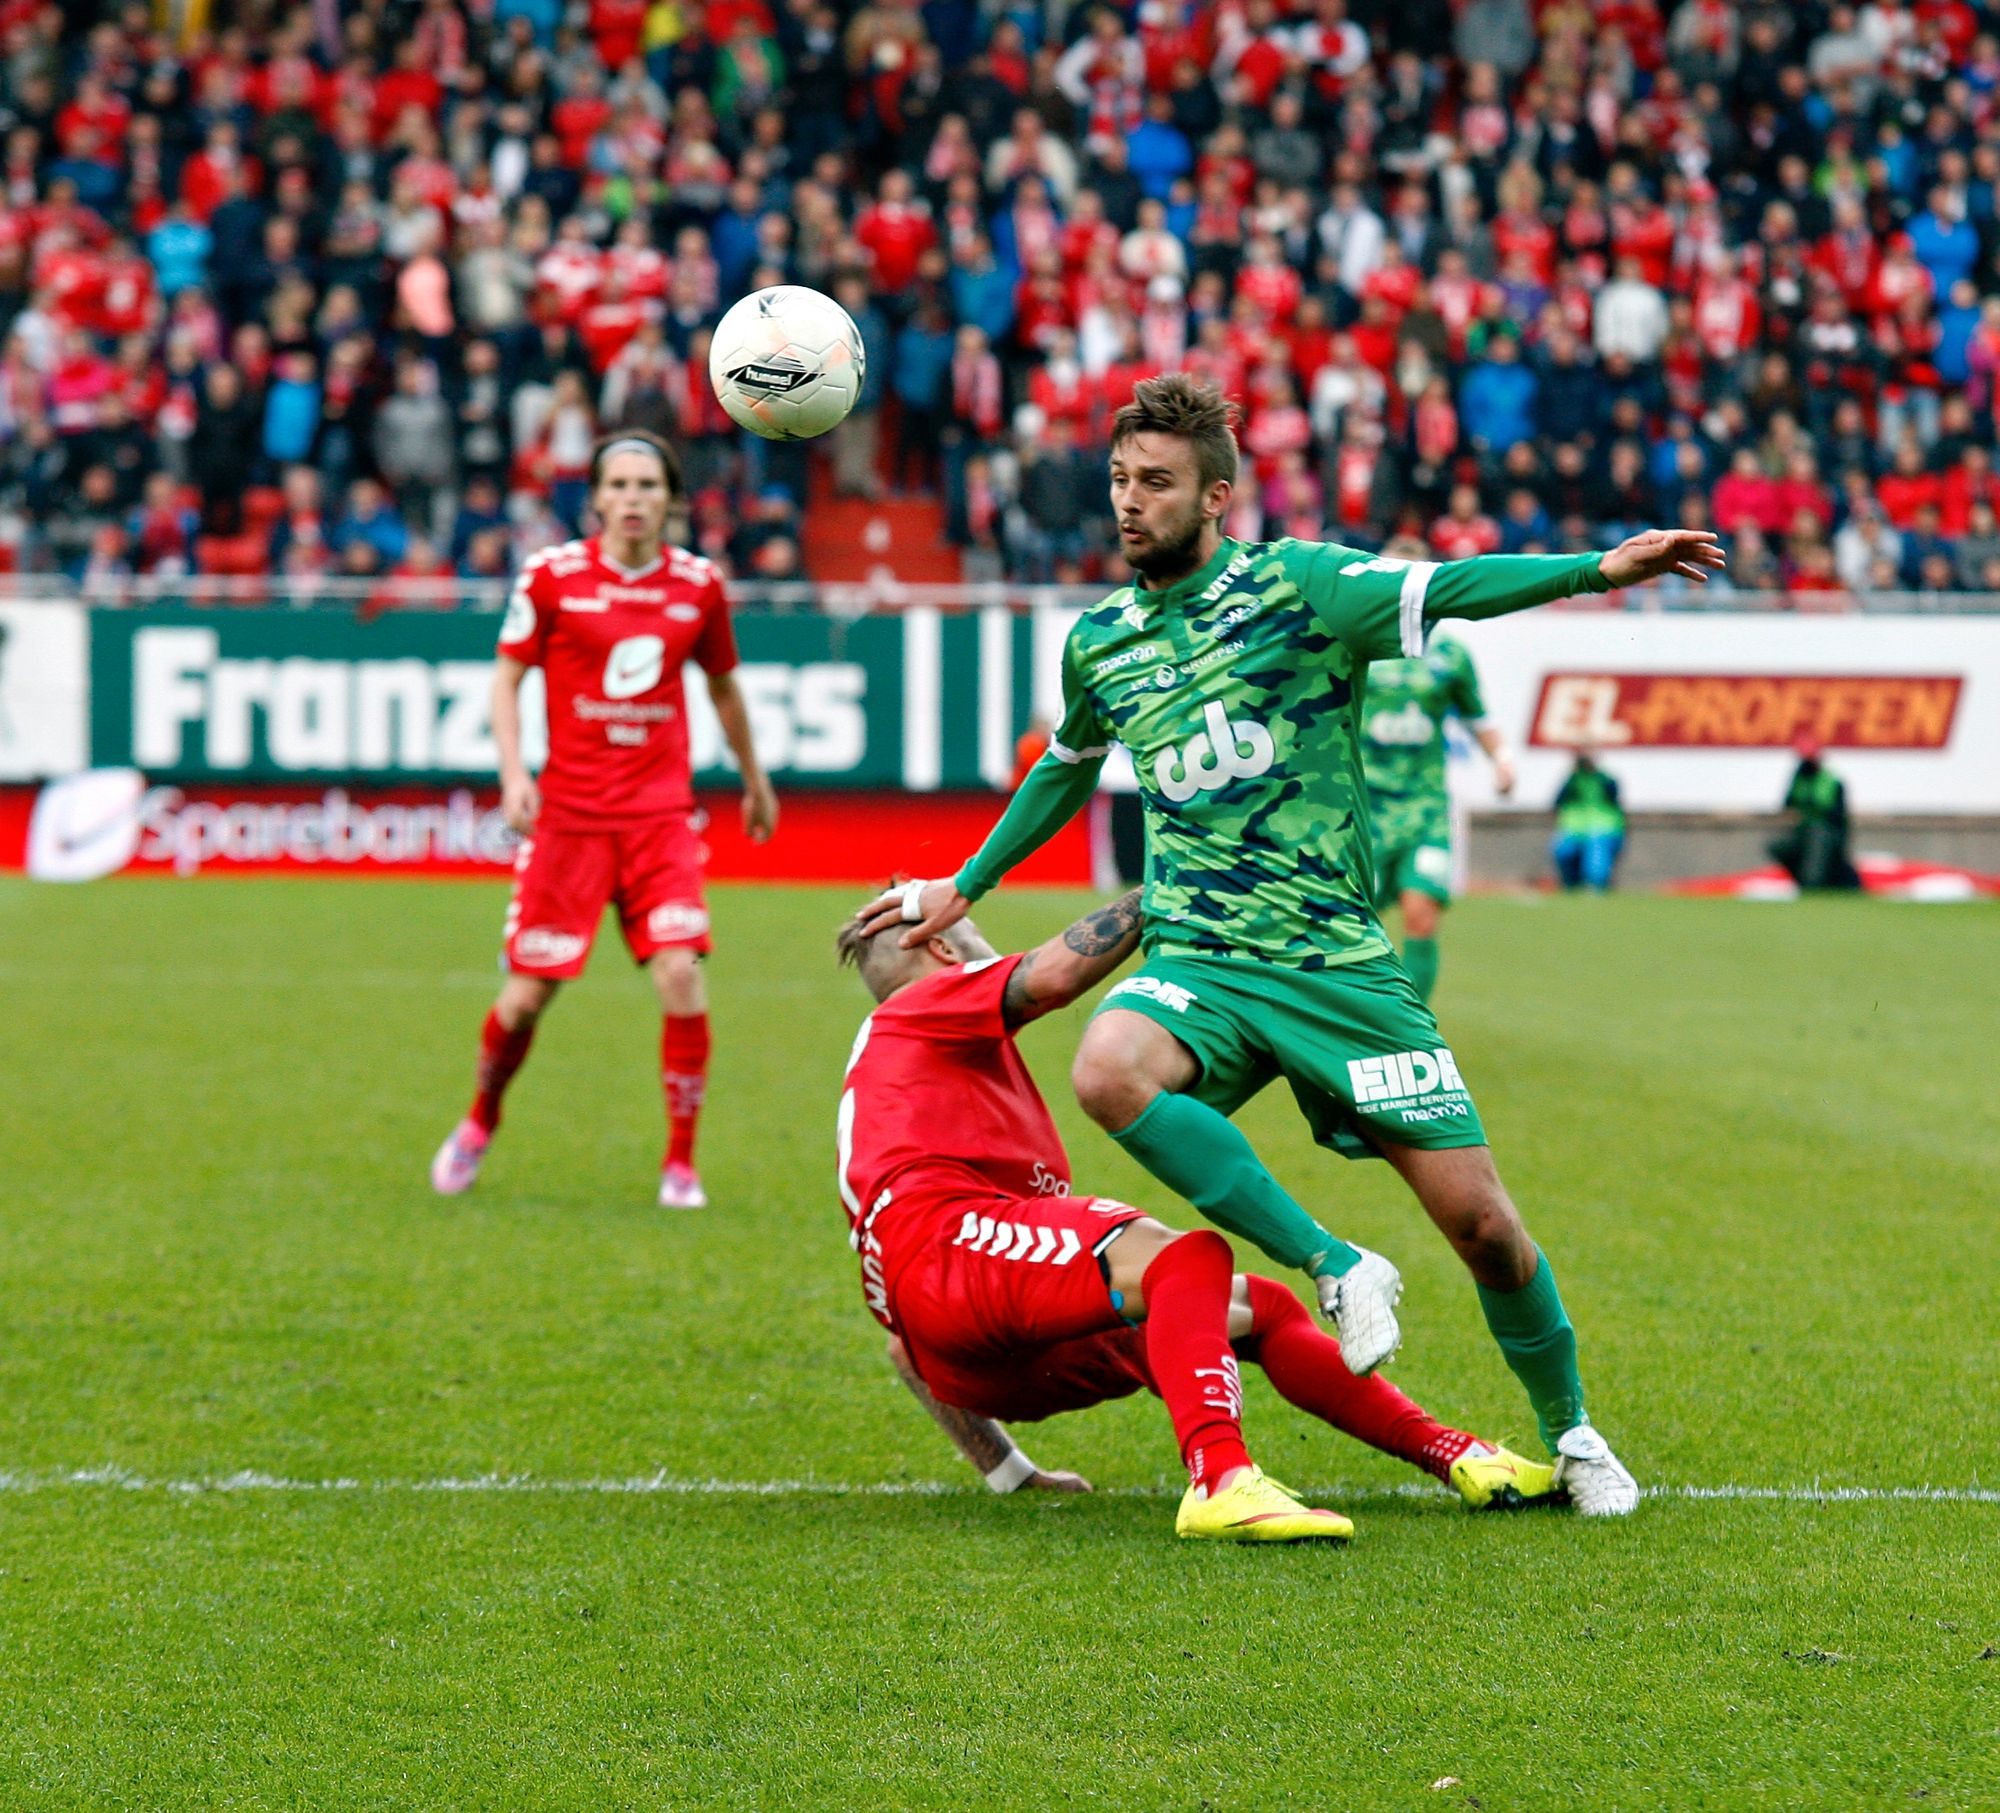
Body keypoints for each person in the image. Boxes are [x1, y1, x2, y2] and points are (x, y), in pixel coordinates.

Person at [861, 375, 1726, 1514]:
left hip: (1332, 965)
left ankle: (1572, 1434)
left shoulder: (1300, 586)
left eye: (1155, 483)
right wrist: (964, 883)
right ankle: (1332, 1260)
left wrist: (1593, 571)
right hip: (1201, 958)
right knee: (1107, 1067)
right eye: (1119, 480)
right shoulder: (1101, 641)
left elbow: (1446, 588)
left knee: (1485, 1231)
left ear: (1216, 495)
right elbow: (1062, 771)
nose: (1128, 503)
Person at [836, 891, 1562, 1540]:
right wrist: (1177, 881)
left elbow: (908, 1345)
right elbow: (1054, 975)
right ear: (938, 945)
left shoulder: (903, 1082)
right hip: (955, 1260)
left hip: (970, 1358)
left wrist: (1010, 1473)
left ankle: (1457, 1454)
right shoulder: (919, 1006)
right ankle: (1220, 1477)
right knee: (1186, 1257)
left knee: (1257, 1308)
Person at [431, 431, 780, 1209]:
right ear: (595, 498)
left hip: (660, 817)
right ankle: (480, 1120)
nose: (632, 498)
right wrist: (515, 772)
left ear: (671, 499)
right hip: (570, 819)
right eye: (618, 484)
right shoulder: (553, 576)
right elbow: (507, 676)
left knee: (682, 974)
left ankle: (681, 1164)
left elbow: (725, 689)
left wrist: (754, 779)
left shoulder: (698, 585)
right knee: (524, 999)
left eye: (648, 485)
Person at [1360, 629, 1514, 1002]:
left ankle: (1409, 1024)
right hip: (1364, 808)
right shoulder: (1357, 639)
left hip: (1424, 808)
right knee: (1356, 922)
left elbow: (1477, 715)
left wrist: (1503, 761)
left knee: (1421, 913)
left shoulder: (1450, 654)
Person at [1770, 737, 1860, 891]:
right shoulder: (1799, 778)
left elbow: (1836, 814)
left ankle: (1812, 885)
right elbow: (1788, 803)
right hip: (1803, 830)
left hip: (1827, 831)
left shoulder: (1830, 780)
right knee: (1778, 847)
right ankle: (1801, 879)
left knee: (1816, 842)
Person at [1551, 751, 1627, 892]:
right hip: (1574, 828)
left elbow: (1615, 801)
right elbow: (1557, 803)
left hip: (1604, 827)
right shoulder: (1572, 780)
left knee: (1596, 856)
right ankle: (1571, 885)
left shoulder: (1605, 779)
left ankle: (1596, 886)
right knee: (1563, 852)